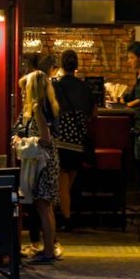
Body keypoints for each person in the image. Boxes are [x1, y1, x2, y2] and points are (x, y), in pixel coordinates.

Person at [17, 53, 61, 263]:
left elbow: (44, 138)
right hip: (50, 160)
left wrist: (23, 143)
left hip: (43, 162)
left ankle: (48, 251)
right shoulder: (48, 104)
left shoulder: (37, 108)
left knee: (43, 207)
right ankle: (49, 248)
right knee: (47, 206)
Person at [50, 49, 96, 230]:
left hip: (61, 139)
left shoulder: (55, 85)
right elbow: (93, 114)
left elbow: (50, 111)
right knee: (68, 181)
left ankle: (63, 219)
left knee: (62, 180)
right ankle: (58, 214)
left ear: (61, 64)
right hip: (78, 140)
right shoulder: (84, 87)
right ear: (76, 65)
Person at [122, 40, 140, 232]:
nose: (129, 61)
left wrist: (129, 104)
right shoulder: (139, 75)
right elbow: (132, 96)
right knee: (138, 171)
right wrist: (124, 97)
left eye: (132, 58)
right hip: (137, 128)